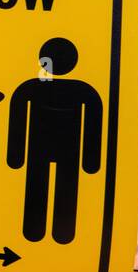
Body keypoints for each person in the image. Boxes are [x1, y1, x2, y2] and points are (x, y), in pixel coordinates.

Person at [6, 37, 102, 244]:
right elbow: (17, 116)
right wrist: (90, 160)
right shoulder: (82, 90)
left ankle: (54, 233)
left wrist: (16, 156)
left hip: (53, 151)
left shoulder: (33, 87)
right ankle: (47, 232)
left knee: (55, 188)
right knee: (47, 188)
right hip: (55, 151)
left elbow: (94, 121)